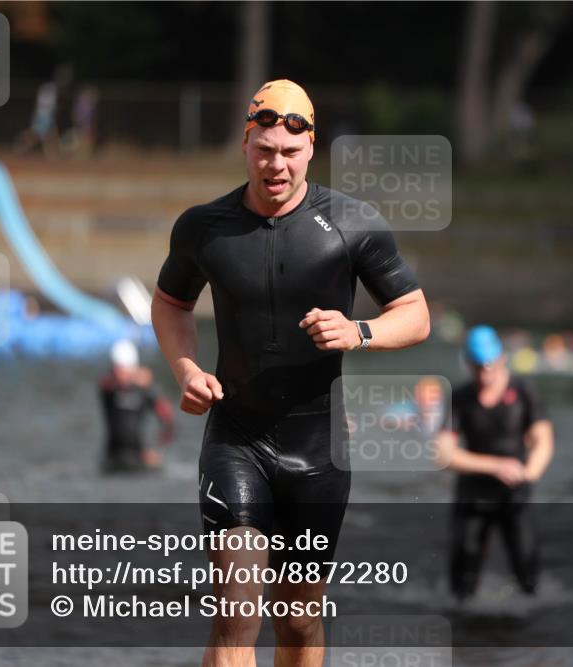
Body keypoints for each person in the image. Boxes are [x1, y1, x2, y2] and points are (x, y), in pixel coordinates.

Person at [151, 79, 430, 667]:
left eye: (290, 152)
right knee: (236, 610)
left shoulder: (354, 225)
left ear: (312, 149)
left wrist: (359, 332)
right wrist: (185, 369)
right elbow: (171, 303)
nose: (276, 165)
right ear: (246, 143)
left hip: (318, 450)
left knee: (298, 620)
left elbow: (416, 314)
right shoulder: (205, 227)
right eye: (264, 149)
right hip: (237, 438)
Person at [435, 325, 555, 600]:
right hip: (474, 495)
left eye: (489, 365)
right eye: (478, 367)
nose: (484, 373)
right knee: (463, 581)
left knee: (527, 571)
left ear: (502, 358)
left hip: (515, 491)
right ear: (468, 363)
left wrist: (530, 474)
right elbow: (444, 453)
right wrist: (496, 466)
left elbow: (543, 440)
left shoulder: (524, 391)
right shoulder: (460, 398)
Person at [99, 339, 174, 473]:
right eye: (116, 368)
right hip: (112, 458)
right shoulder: (109, 390)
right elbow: (105, 383)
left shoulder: (144, 390)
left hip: (139, 458)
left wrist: (156, 450)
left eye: (122, 368)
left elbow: (167, 418)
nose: (119, 372)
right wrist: (133, 377)